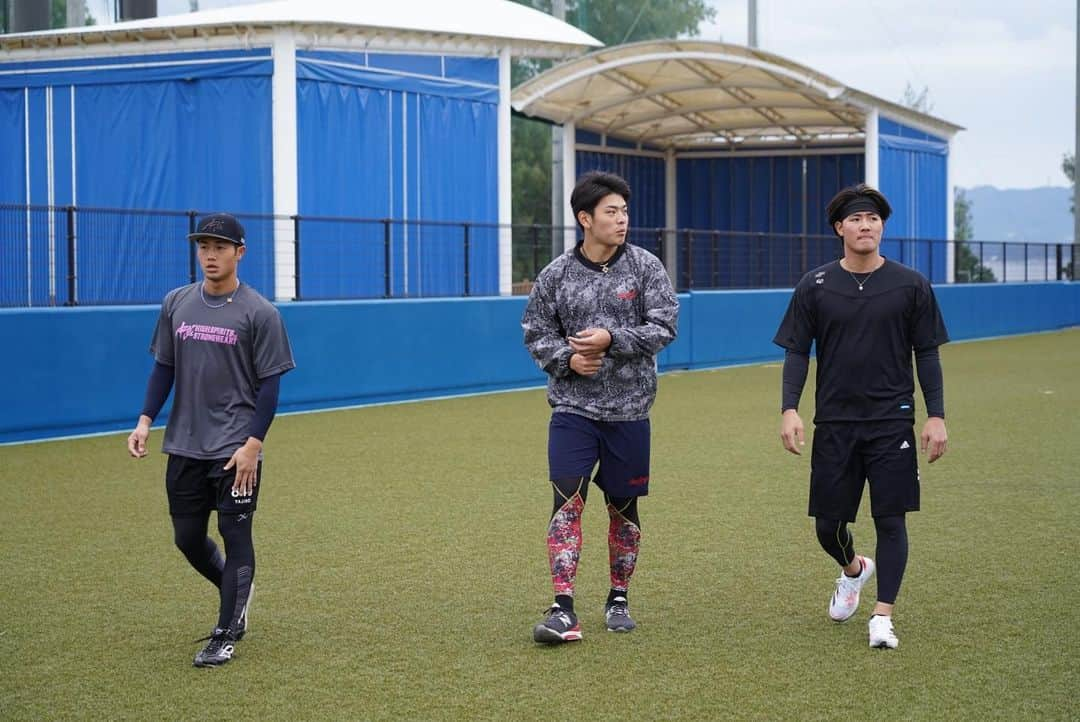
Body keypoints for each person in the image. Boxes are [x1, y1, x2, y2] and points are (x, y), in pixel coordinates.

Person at [773, 183, 949, 650]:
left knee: (891, 519)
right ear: (840, 228)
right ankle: (853, 571)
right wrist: (789, 408)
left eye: (872, 218)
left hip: (893, 421)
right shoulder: (815, 285)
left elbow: (926, 353)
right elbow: (796, 352)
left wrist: (936, 416)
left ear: (882, 226)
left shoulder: (911, 284)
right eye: (855, 219)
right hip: (834, 422)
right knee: (827, 526)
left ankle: (882, 616)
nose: (865, 225)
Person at [127, 212, 295, 667]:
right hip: (183, 444)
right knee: (186, 538)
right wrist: (145, 420)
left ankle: (225, 632)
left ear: (239, 253)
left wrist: (253, 445)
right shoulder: (176, 303)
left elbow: (270, 386)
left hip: (235, 449)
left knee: (235, 533)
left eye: (220, 247)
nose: (210, 255)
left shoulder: (261, 313)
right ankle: (235, 586)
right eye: (204, 247)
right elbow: (164, 367)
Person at [522, 171, 679, 644]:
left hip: (630, 413)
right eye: (612, 211)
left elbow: (664, 327)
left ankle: (618, 598)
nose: (622, 219)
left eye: (625, 211)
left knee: (623, 509)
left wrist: (612, 340)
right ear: (584, 218)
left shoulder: (646, 267)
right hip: (572, 410)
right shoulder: (556, 275)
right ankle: (563, 607)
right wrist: (567, 359)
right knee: (566, 501)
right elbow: (535, 331)